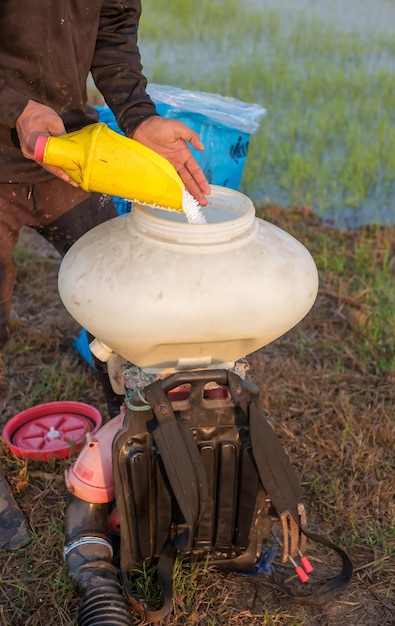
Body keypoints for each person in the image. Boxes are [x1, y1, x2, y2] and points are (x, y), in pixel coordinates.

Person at [0, 0, 211, 550]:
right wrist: (16, 107)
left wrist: (139, 117)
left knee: (123, 299)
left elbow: (113, 29)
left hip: (66, 152)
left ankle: (136, 436)